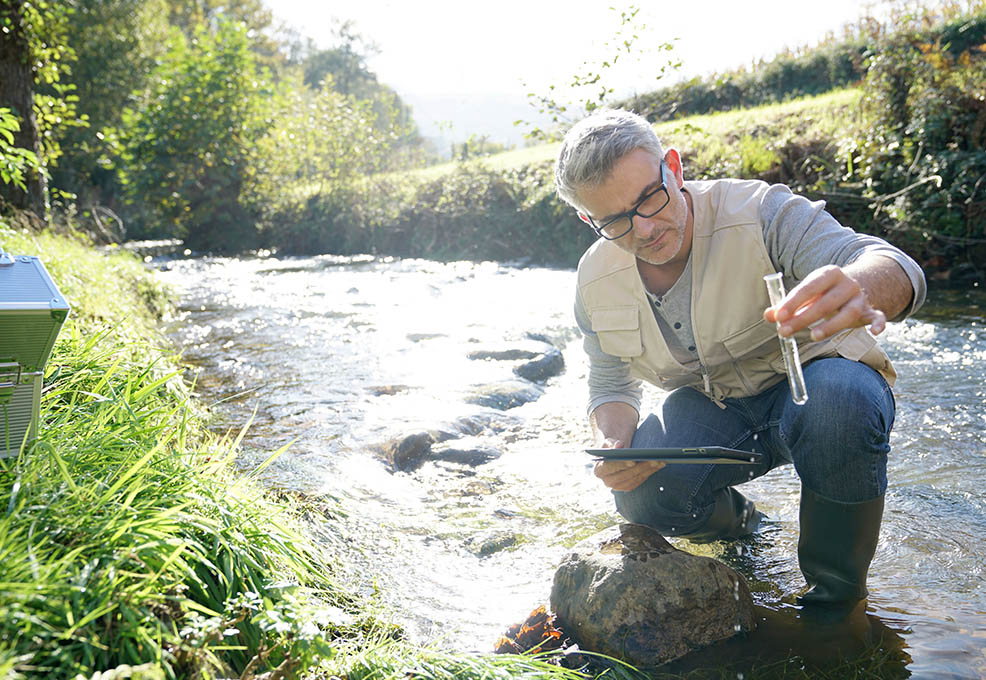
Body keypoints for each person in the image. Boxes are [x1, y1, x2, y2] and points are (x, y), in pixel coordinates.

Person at [555, 108, 926, 608]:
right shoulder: (593, 281)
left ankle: (835, 601)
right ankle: (744, 529)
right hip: (717, 413)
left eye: (649, 198)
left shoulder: (759, 211)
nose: (643, 229)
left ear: (674, 167)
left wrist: (861, 286)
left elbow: (895, 265)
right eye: (616, 221)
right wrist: (614, 441)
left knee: (840, 404)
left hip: (816, 383)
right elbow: (610, 382)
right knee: (642, 495)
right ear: (587, 219)